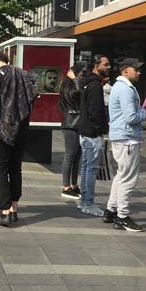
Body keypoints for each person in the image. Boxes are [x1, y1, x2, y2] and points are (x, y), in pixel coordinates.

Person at [0, 50, 38, 227]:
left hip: (2, 130)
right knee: (16, 169)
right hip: (21, 128)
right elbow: (32, 97)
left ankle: (5, 211)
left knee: (0, 169)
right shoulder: (23, 74)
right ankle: (14, 208)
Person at [103, 58, 146, 232]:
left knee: (121, 175)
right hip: (127, 138)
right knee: (128, 178)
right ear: (125, 71)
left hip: (121, 136)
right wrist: (144, 112)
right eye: (135, 69)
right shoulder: (126, 89)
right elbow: (131, 117)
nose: (138, 72)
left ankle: (111, 209)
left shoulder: (120, 87)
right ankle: (122, 216)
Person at [78, 54, 111, 216]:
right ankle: (89, 203)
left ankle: (84, 201)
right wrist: (100, 130)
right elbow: (96, 111)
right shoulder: (95, 85)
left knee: (86, 167)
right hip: (92, 133)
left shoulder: (87, 82)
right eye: (105, 64)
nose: (108, 67)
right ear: (96, 66)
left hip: (84, 131)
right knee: (91, 168)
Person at [59, 64, 83, 199]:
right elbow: (78, 93)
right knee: (69, 155)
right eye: (80, 74)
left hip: (77, 124)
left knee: (76, 157)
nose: (81, 77)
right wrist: (75, 80)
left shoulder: (73, 85)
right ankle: (66, 186)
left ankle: (74, 185)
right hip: (70, 124)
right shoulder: (68, 86)